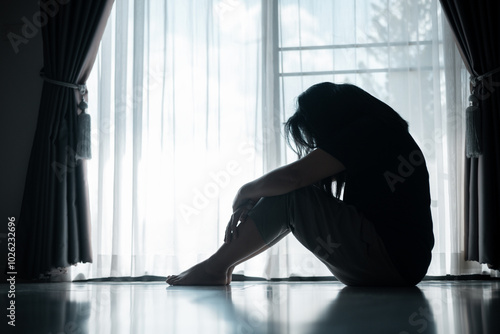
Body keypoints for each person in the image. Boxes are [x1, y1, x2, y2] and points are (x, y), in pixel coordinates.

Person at [166, 82, 434, 287]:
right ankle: (219, 267)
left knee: (292, 193)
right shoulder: (382, 131)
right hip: (396, 264)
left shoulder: (371, 130)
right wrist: (257, 201)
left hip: (390, 260)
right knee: (290, 193)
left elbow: (293, 178)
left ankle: (215, 268)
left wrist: (244, 192)